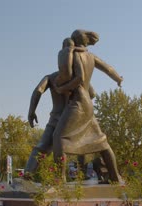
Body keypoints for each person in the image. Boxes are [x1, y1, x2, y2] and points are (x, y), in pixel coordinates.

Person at [52, 29, 123, 183]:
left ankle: (59, 180)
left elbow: (79, 78)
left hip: (78, 101)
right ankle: (115, 177)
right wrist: (118, 79)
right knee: (101, 142)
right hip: (88, 104)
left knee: (59, 138)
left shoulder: (76, 54)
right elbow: (108, 68)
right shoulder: (91, 56)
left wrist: (61, 88)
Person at [25, 38, 93, 176]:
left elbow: (38, 90)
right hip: (74, 118)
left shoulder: (51, 77)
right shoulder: (78, 79)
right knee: (79, 145)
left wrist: (32, 111)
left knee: (42, 147)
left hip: (57, 117)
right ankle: (80, 174)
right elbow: (91, 94)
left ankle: (30, 175)